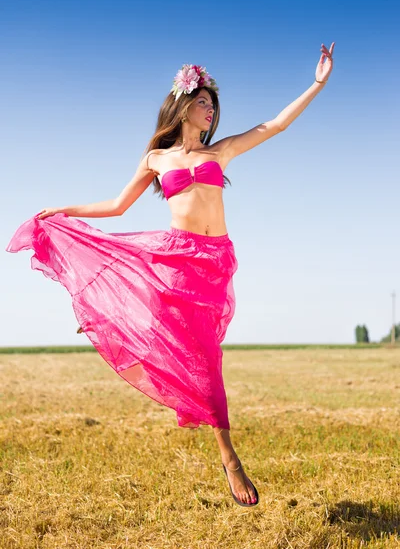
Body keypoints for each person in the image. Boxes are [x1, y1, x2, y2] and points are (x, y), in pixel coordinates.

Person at [6, 44, 335, 507]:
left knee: (206, 356)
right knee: (180, 337)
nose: (211, 109)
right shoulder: (156, 159)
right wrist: (65, 207)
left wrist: (317, 82)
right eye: (204, 101)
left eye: (213, 104)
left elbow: (275, 124)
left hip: (212, 261)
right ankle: (226, 452)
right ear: (183, 105)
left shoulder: (222, 150)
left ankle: (224, 452)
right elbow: (117, 206)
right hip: (175, 257)